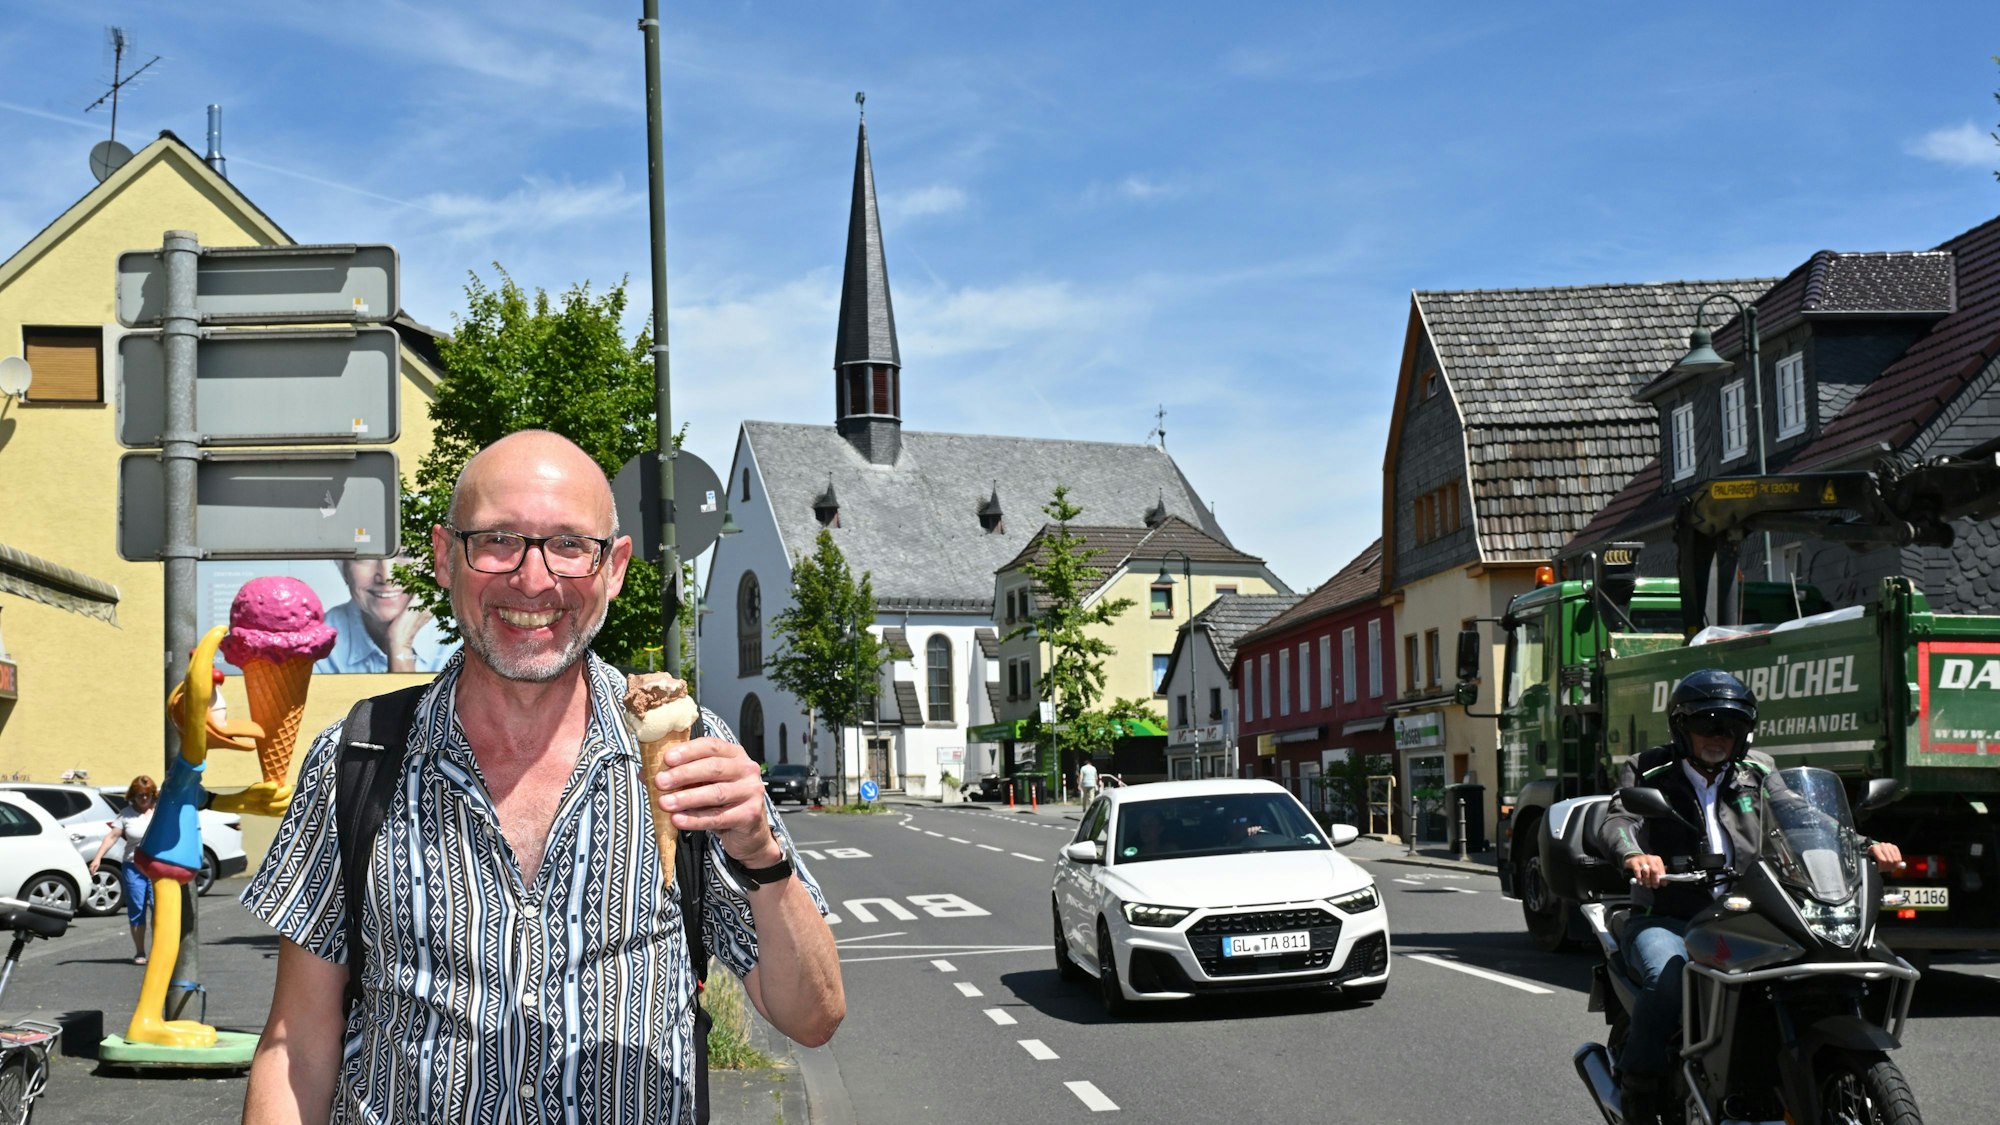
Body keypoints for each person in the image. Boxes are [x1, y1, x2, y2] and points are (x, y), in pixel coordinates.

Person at [240, 431, 845, 1123]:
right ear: (443, 556)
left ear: (614, 566)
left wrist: (763, 856)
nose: (533, 579)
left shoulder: (693, 758)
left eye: (568, 544)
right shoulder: (356, 759)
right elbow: (298, 1044)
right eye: (497, 538)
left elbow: (813, 1016)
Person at [1598, 669, 1903, 1124]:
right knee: (1669, 977)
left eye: (1732, 726)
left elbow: (1802, 816)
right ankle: (1639, 1087)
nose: (1720, 735)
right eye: (1708, 724)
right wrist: (1636, 855)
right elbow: (1618, 819)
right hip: (1670, 913)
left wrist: (1862, 844)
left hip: (1747, 909)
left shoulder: (1758, 769)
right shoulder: (1650, 768)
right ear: (1682, 728)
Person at [313, 555, 456, 674]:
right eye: (366, 556)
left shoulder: (461, 637)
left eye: (406, 554)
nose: (387, 576)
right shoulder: (314, 642)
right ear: (344, 570)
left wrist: (400, 642)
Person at [88, 776, 157, 964]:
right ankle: (140, 952)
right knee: (137, 909)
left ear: (153, 794)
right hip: (133, 867)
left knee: (159, 910)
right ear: (133, 796)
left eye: (148, 795)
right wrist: (98, 858)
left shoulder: (159, 812)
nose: (144, 799)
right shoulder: (126, 814)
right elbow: (111, 837)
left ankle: (159, 951)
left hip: (157, 868)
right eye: (140, 795)